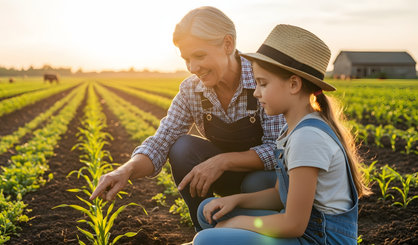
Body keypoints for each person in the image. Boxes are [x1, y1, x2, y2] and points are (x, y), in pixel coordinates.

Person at [89, 6, 285, 230]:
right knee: (182, 147)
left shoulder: (263, 79)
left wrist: (221, 161)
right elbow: (162, 140)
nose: (192, 68)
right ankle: (206, 230)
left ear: (228, 44)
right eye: (186, 59)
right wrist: (125, 170)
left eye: (199, 56)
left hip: (268, 184)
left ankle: (259, 231)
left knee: (255, 182)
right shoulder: (191, 90)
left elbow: (278, 151)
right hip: (227, 176)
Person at [192, 24, 371, 244]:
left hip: (319, 239)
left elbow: (293, 225)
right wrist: (235, 201)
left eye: (263, 84)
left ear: (294, 84)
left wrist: (238, 223)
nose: (256, 93)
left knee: (206, 240)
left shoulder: (308, 138)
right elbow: (279, 195)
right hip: (306, 231)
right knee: (207, 212)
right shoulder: (293, 128)